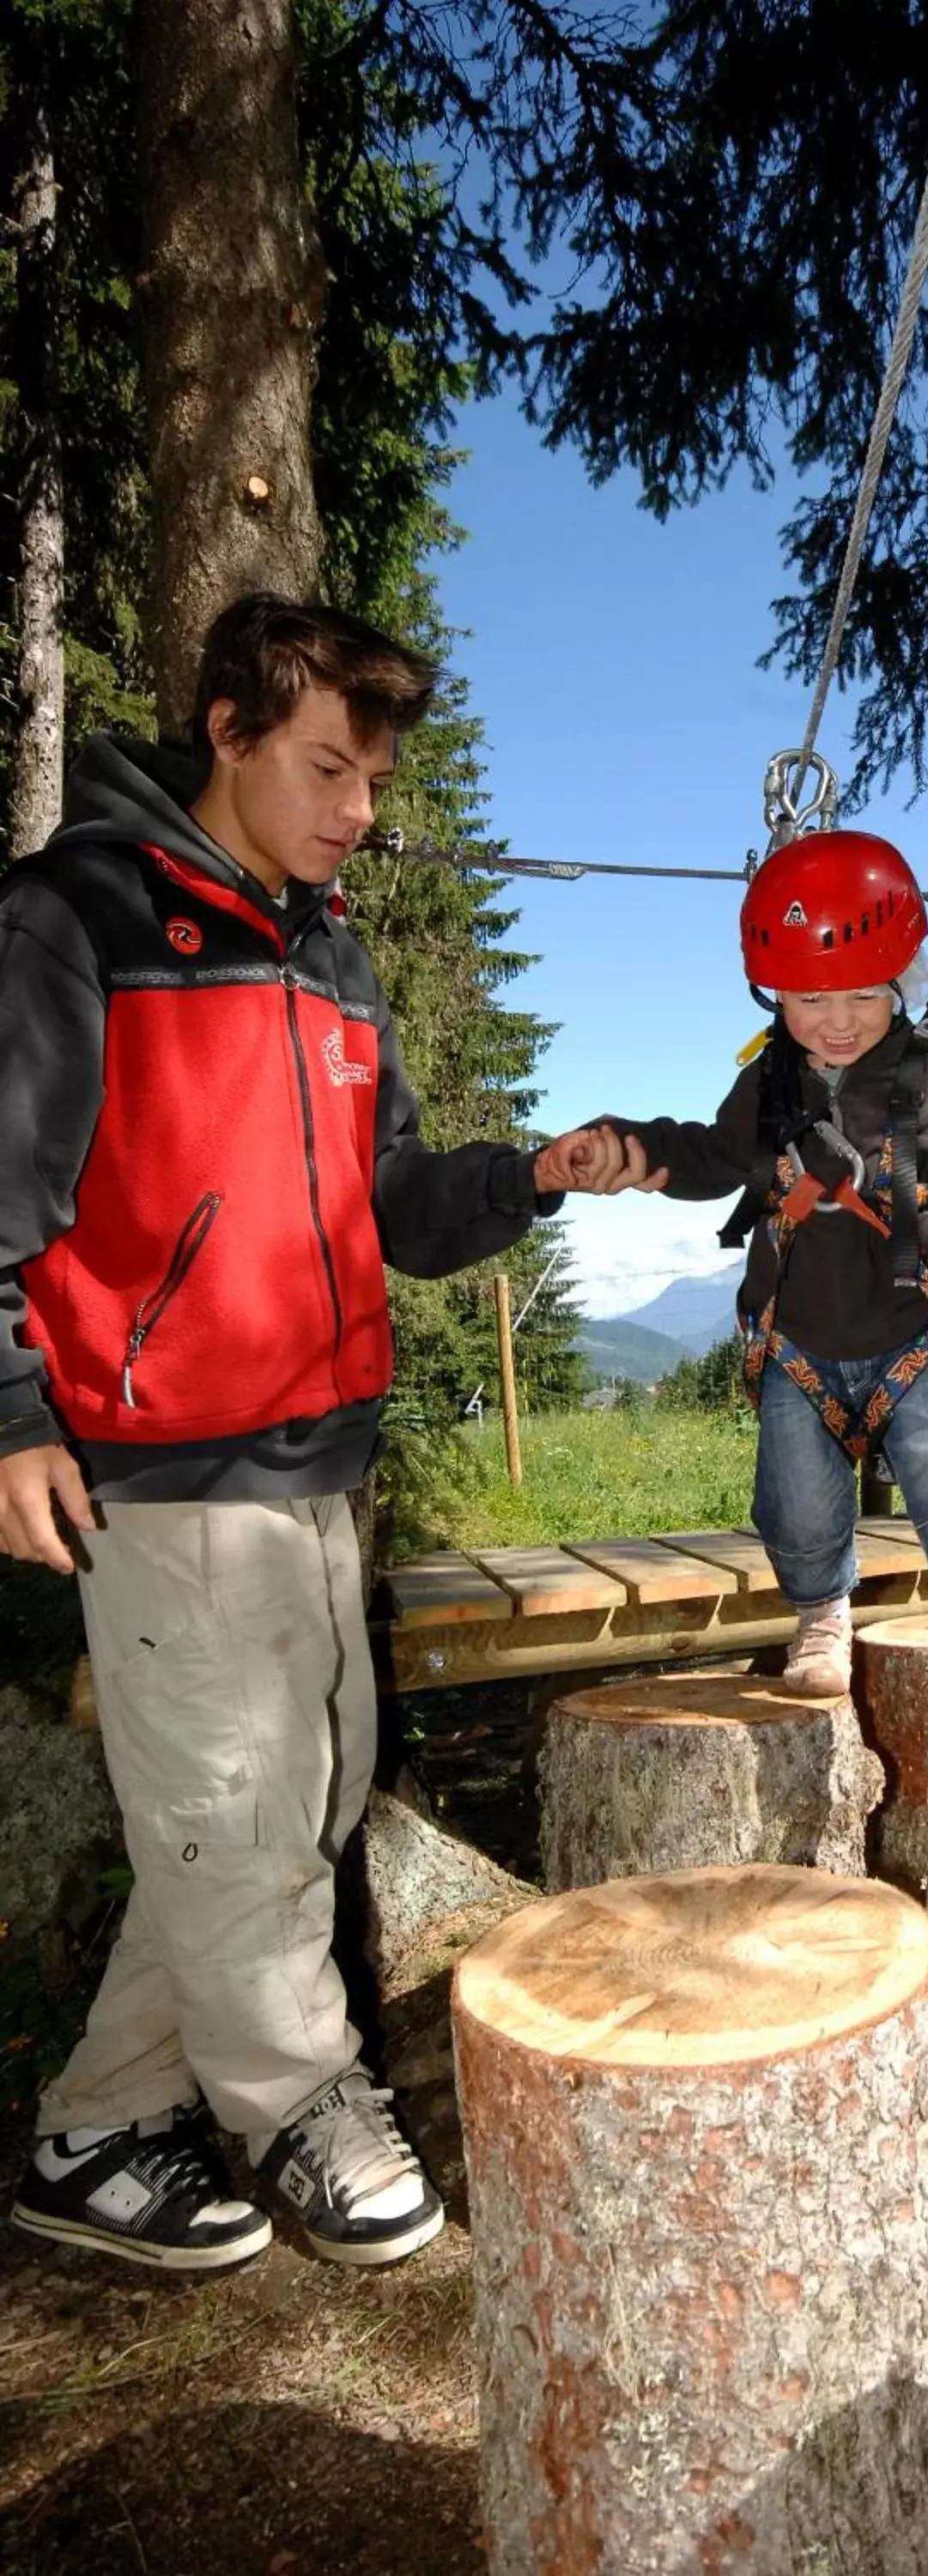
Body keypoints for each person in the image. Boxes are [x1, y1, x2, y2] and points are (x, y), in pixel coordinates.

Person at [1, 594, 587, 2275]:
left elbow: (390, 1201)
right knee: (240, 1795)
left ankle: (101, 2127)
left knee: (289, 1804)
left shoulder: (329, 953)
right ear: (229, 730)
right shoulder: (77, 913)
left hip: (322, 1457)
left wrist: (532, 1176)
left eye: (375, 780)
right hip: (160, 1464)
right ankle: (300, 2100)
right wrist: (6, 1415)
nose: (355, 808)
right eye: (325, 766)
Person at [562, 829, 928, 1765]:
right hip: (801, 1345)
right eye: (810, 997)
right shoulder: (768, 1090)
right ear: (774, 996)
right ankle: (822, 1616)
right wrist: (630, 1150)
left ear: (902, 981)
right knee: (795, 1508)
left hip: (913, 1335)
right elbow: (710, 1156)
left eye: (864, 993)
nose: (837, 1018)